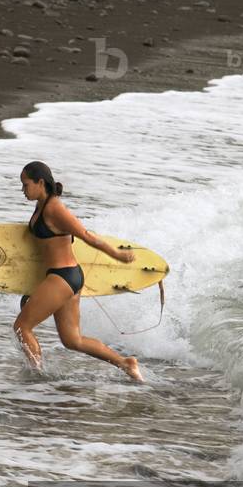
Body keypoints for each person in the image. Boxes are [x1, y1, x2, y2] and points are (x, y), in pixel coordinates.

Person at [13, 161, 144, 382]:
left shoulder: (54, 207)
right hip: (62, 277)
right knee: (73, 340)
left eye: (25, 185)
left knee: (22, 327)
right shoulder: (41, 205)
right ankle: (125, 363)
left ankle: (36, 377)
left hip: (62, 277)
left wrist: (118, 256)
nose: (22, 190)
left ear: (40, 182)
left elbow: (85, 235)